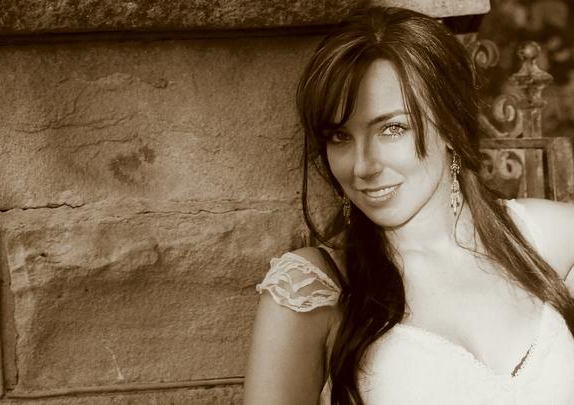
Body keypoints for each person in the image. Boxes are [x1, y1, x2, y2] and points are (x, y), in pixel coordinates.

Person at [243, 6, 574, 405]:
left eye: (392, 128)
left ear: (450, 124)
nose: (363, 166)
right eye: (340, 136)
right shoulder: (310, 288)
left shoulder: (549, 241)